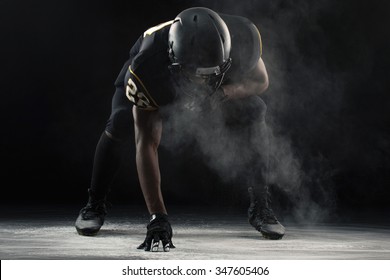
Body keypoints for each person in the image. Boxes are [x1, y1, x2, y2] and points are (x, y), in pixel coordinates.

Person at [75, 7, 285, 252]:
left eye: (208, 75)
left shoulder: (242, 37)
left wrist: (222, 93)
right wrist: (158, 216)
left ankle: (260, 205)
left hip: (219, 85)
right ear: (175, 59)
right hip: (163, 84)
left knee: (255, 111)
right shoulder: (147, 66)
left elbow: (261, 81)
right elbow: (147, 142)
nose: (201, 83)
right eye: (196, 76)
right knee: (121, 121)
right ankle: (95, 203)